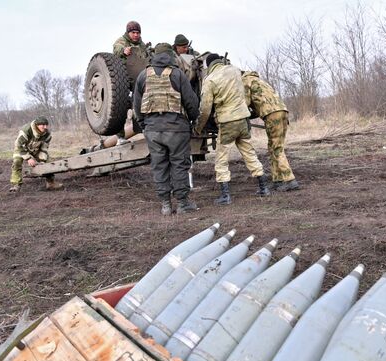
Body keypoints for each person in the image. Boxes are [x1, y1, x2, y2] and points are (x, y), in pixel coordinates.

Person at [194, 53, 270, 206]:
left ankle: (225, 196)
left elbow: (205, 109)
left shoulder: (210, 80)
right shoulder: (235, 70)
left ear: (209, 66)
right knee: (249, 153)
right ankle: (264, 188)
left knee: (221, 158)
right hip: (243, 119)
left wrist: (198, 127)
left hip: (227, 122)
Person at [133, 43, 200, 215]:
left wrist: (145, 126)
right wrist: (192, 121)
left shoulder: (143, 76)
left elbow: (137, 106)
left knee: (159, 166)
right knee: (179, 164)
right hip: (177, 129)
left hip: (153, 131)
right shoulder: (177, 74)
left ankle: (165, 205)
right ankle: (183, 204)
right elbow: (191, 102)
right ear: (171, 55)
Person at [242, 71, 299, 191]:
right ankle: (277, 179)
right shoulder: (260, 81)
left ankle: (289, 179)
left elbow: (245, 103)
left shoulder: (245, 81)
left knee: (276, 148)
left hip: (271, 114)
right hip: (283, 111)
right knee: (273, 146)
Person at [113, 20, 149, 145]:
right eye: (133, 32)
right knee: (120, 107)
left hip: (138, 78)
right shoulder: (121, 41)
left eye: (138, 33)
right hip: (123, 79)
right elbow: (116, 49)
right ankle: (120, 137)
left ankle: (142, 128)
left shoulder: (141, 44)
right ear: (128, 33)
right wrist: (123, 51)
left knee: (140, 104)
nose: (136, 35)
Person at [9, 117, 63, 193]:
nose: (45, 127)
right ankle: (16, 185)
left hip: (35, 149)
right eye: (43, 125)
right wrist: (28, 158)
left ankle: (51, 183)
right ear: (37, 125)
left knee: (48, 163)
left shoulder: (47, 134)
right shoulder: (26, 130)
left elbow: (44, 149)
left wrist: (42, 161)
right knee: (16, 162)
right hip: (21, 148)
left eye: (46, 125)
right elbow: (19, 145)